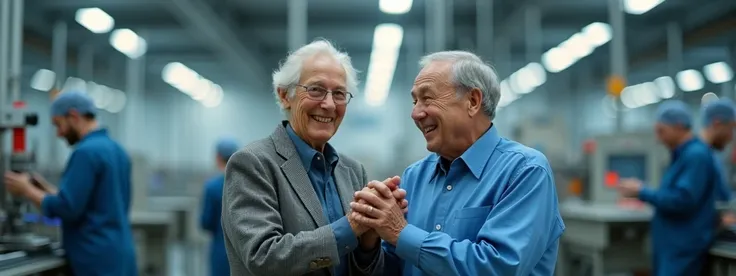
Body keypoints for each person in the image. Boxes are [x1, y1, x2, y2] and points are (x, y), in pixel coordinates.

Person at [348, 51, 565, 276]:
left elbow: (498, 267)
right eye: (414, 101)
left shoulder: (525, 171)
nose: (415, 113)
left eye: (427, 98)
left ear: (472, 101)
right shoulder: (414, 176)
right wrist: (370, 239)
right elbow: (396, 266)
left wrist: (400, 233)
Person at [220, 39, 407, 276]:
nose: (329, 104)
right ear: (285, 95)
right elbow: (263, 257)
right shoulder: (253, 164)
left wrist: (369, 239)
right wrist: (351, 227)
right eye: (316, 89)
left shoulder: (352, 171)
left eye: (339, 93)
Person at [4, 92, 137, 275]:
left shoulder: (85, 153)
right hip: (119, 254)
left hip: (94, 258)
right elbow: (92, 203)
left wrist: (26, 190)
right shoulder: (116, 150)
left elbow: (67, 208)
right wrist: (44, 188)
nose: (58, 133)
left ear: (73, 116)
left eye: (59, 125)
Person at [617, 100, 718, 276]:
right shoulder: (682, 156)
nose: (658, 138)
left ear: (679, 126)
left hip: (683, 250)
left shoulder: (696, 156)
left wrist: (642, 191)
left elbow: (682, 200)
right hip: (673, 248)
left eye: (661, 131)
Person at [200, 138, 240, 276]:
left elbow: (205, 222)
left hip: (220, 248)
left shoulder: (212, 187)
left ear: (217, 157)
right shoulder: (246, 185)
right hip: (244, 250)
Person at [699, 99, 736, 225]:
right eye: (730, 129)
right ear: (717, 124)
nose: (731, 137)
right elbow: (688, 201)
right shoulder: (698, 156)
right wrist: (719, 217)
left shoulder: (713, 157)